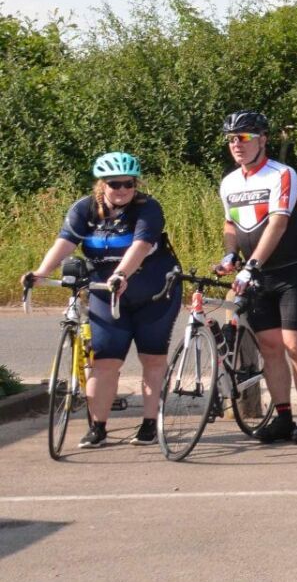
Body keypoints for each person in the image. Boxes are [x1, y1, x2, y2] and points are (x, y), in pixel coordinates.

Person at [22, 152, 181, 448]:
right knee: (105, 361)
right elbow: (65, 242)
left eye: (128, 184)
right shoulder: (84, 209)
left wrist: (121, 274)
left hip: (155, 290)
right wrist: (41, 272)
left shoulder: (147, 208)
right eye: (114, 184)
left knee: (152, 357)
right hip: (105, 291)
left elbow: (141, 244)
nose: (122, 190)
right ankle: (98, 428)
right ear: (102, 185)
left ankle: (149, 423)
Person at [215, 111, 297, 444]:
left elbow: (278, 223)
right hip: (256, 273)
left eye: (244, 138)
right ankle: (284, 416)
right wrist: (232, 255)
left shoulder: (282, 174)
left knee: (294, 347)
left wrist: (252, 264)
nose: (237, 145)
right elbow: (231, 225)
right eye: (231, 139)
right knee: (270, 348)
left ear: (262, 139)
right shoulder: (229, 182)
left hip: (291, 271)